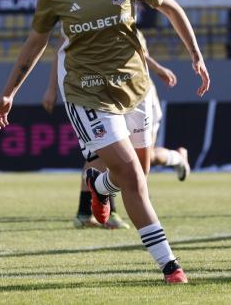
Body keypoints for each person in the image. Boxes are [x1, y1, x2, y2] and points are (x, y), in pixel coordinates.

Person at [0, 0, 210, 284]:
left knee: (137, 175)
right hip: (86, 93)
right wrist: (9, 93)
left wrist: (196, 56)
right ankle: (170, 266)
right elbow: (36, 43)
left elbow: (171, 8)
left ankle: (97, 186)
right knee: (131, 176)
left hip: (136, 90)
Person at [42, 32, 192, 229]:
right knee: (102, 154)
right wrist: (52, 88)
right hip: (101, 94)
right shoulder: (72, 17)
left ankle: (176, 158)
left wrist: (156, 68)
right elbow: (60, 52)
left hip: (136, 94)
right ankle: (90, 212)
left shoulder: (116, 17)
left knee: (139, 161)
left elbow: (135, 53)